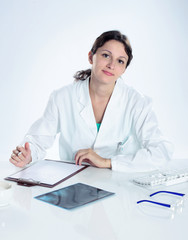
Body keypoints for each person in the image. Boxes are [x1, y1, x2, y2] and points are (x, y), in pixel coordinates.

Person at [9, 30, 173, 172]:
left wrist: (108, 162)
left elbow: (161, 151)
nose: (111, 65)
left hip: (119, 185)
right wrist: (28, 155)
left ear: (124, 68)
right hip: (74, 183)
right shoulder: (62, 97)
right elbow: (38, 140)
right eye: (106, 55)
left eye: (120, 61)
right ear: (91, 57)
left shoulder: (136, 102)